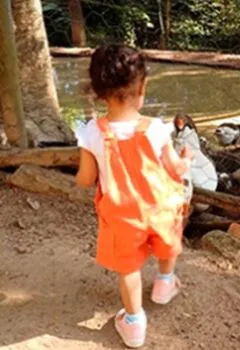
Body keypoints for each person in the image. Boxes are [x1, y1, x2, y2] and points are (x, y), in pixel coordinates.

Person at [75, 44, 191, 348]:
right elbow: (174, 168)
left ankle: (135, 322)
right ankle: (165, 284)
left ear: (98, 91)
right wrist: (186, 161)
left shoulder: (91, 132)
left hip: (122, 213)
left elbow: (86, 179)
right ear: (142, 87)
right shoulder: (155, 128)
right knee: (167, 242)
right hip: (161, 206)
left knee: (128, 268)